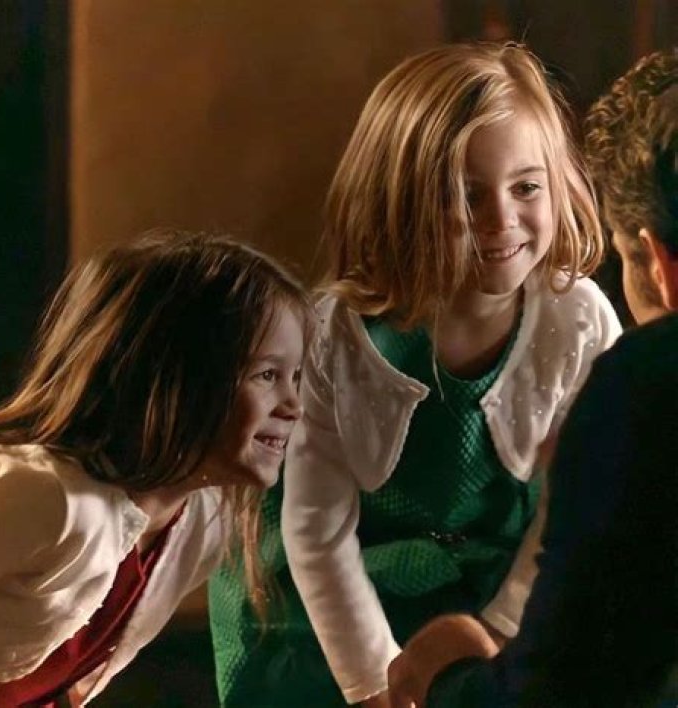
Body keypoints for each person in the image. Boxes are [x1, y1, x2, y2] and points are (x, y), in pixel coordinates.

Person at [209, 42, 621, 707]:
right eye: (468, 196)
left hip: (498, 583)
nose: (502, 220)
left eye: (526, 187)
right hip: (342, 594)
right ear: (401, 203)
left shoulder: (579, 321)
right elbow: (318, 532)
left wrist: (499, 631)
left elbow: (572, 506)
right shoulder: (334, 337)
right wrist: (374, 684)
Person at [388, 47, 678, 708]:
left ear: (658, 264)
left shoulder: (646, 384)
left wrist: (447, 677)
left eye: (526, 186)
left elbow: (562, 691)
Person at [0, 229, 312, 707]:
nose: (293, 404)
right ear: (175, 378)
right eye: (267, 375)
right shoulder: (50, 500)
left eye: (296, 377)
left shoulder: (201, 522)